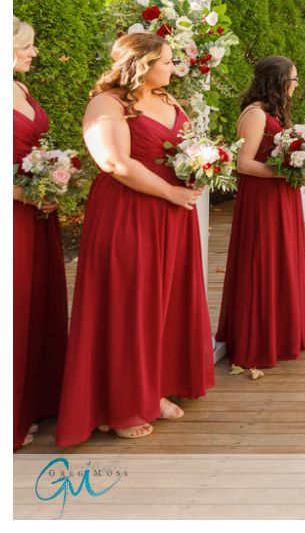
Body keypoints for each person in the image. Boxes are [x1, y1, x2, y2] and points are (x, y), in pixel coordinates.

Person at [56, 33, 214, 445]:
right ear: (142, 64)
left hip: (172, 215)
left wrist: (206, 166)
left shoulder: (168, 100)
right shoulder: (107, 104)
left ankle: (154, 388)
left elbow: (192, 145)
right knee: (129, 303)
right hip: (128, 213)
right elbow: (113, 162)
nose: (173, 68)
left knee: (164, 302)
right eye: (166, 61)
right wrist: (170, 192)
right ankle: (120, 404)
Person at [216, 56, 305, 370]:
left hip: (281, 196)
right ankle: (258, 338)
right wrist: (284, 174)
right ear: (278, 81)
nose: (296, 85)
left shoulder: (276, 112)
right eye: (294, 79)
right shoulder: (255, 114)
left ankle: (284, 332)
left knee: (282, 259)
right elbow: (243, 163)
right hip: (262, 198)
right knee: (263, 260)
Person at [12, 17, 67, 450]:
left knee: (37, 302)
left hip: (37, 213)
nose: (33, 53)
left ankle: (34, 401)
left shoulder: (22, 90)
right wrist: (25, 194)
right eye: (26, 46)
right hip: (13, 216)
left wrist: (53, 183)